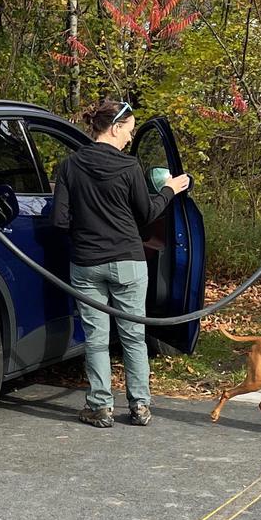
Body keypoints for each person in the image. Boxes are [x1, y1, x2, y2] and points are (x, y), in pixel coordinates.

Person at [51, 99, 192, 428]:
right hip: (128, 262)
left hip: (86, 264)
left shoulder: (69, 166)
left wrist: (84, 231)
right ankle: (140, 405)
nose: (130, 138)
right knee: (133, 336)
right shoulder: (129, 167)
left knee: (96, 338)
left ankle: (100, 406)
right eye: (128, 130)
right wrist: (169, 190)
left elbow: (59, 220)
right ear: (114, 128)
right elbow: (147, 214)